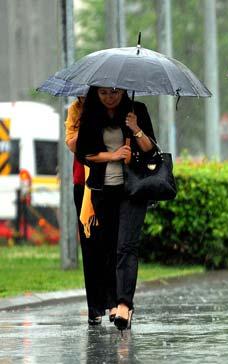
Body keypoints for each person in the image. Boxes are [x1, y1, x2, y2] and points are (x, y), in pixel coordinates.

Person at [76, 86, 156, 330]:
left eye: (114, 92)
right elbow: (83, 154)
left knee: (126, 246)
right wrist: (112, 156)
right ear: (95, 95)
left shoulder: (137, 110)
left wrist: (136, 129)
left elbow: (151, 150)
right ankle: (112, 302)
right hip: (103, 191)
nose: (109, 98)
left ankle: (124, 305)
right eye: (103, 93)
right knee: (109, 246)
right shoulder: (91, 115)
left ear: (123, 91)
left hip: (132, 190)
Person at [65, 96, 116, 325]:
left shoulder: (112, 108)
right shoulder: (75, 111)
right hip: (83, 183)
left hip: (111, 181)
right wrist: (86, 124)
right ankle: (94, 307)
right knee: (90, 244)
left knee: (111, 243)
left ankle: (114, 302)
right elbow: (73, 145)